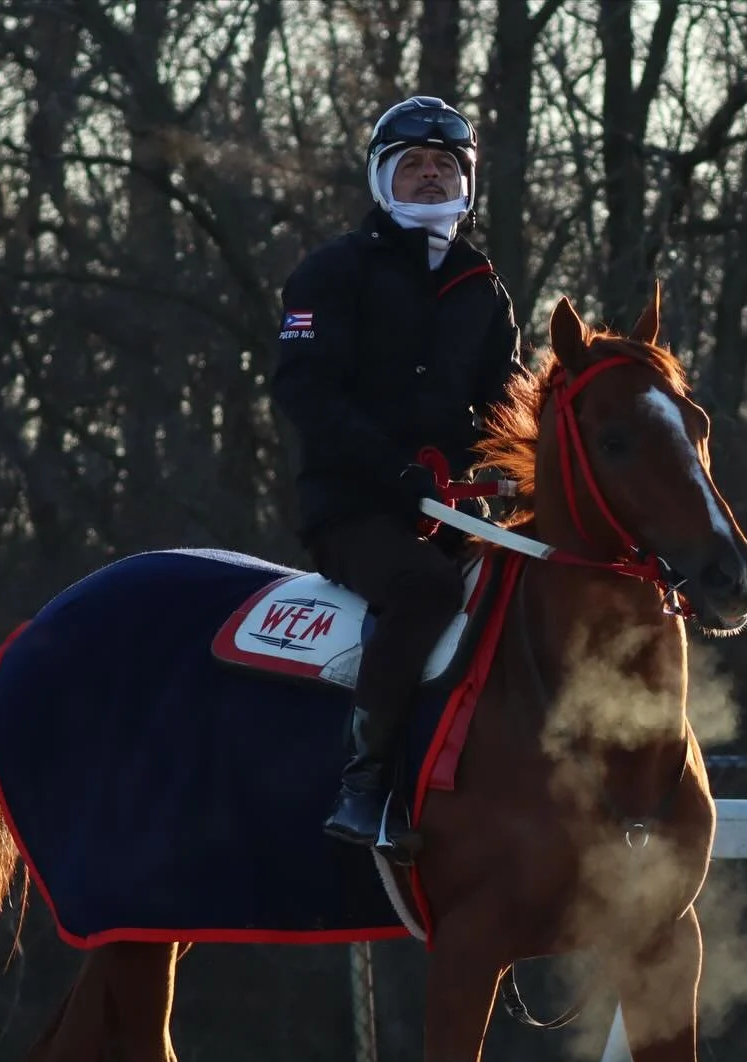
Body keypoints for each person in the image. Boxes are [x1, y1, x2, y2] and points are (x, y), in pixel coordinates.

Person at [271, 95, 523, 855]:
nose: (428, 175)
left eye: (443, 164)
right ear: (382, 179)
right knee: (424, 589)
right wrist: (395, 470)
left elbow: (506, 407)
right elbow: (306, 391)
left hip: (454, 507)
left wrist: (522, 473)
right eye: (411, 164)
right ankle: (364, 786)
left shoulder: (484, 289)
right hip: (353, 508)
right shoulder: (331, 272)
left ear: (467, 181)